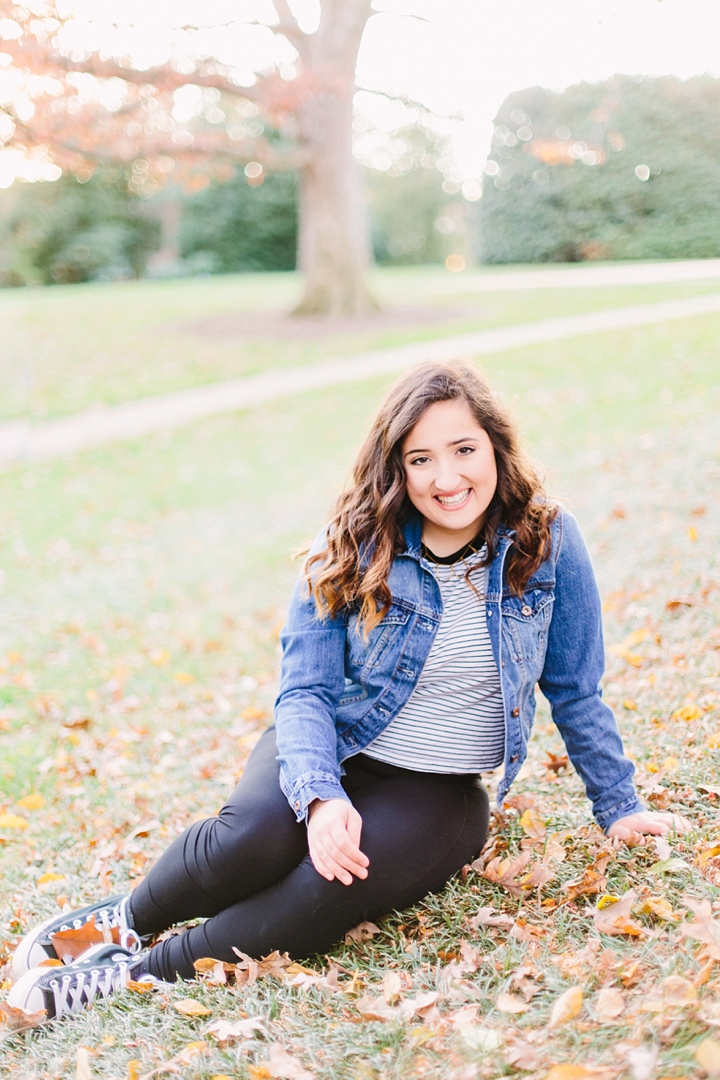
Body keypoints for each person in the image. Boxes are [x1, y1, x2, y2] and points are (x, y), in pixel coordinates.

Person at [7, 360, 687, 1021]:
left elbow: (574, 687)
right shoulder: (356, 542)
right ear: (396, 468)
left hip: (439, 791)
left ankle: (130, 978)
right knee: (257, 839)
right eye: (420, 459)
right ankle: (122, 920)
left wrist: (618, 805)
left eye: (463, 449)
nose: (446, 478)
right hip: (330, 745)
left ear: (497, 450)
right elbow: (303, 692)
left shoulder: (547, 538)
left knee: (332, 883)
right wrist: (321, 794)